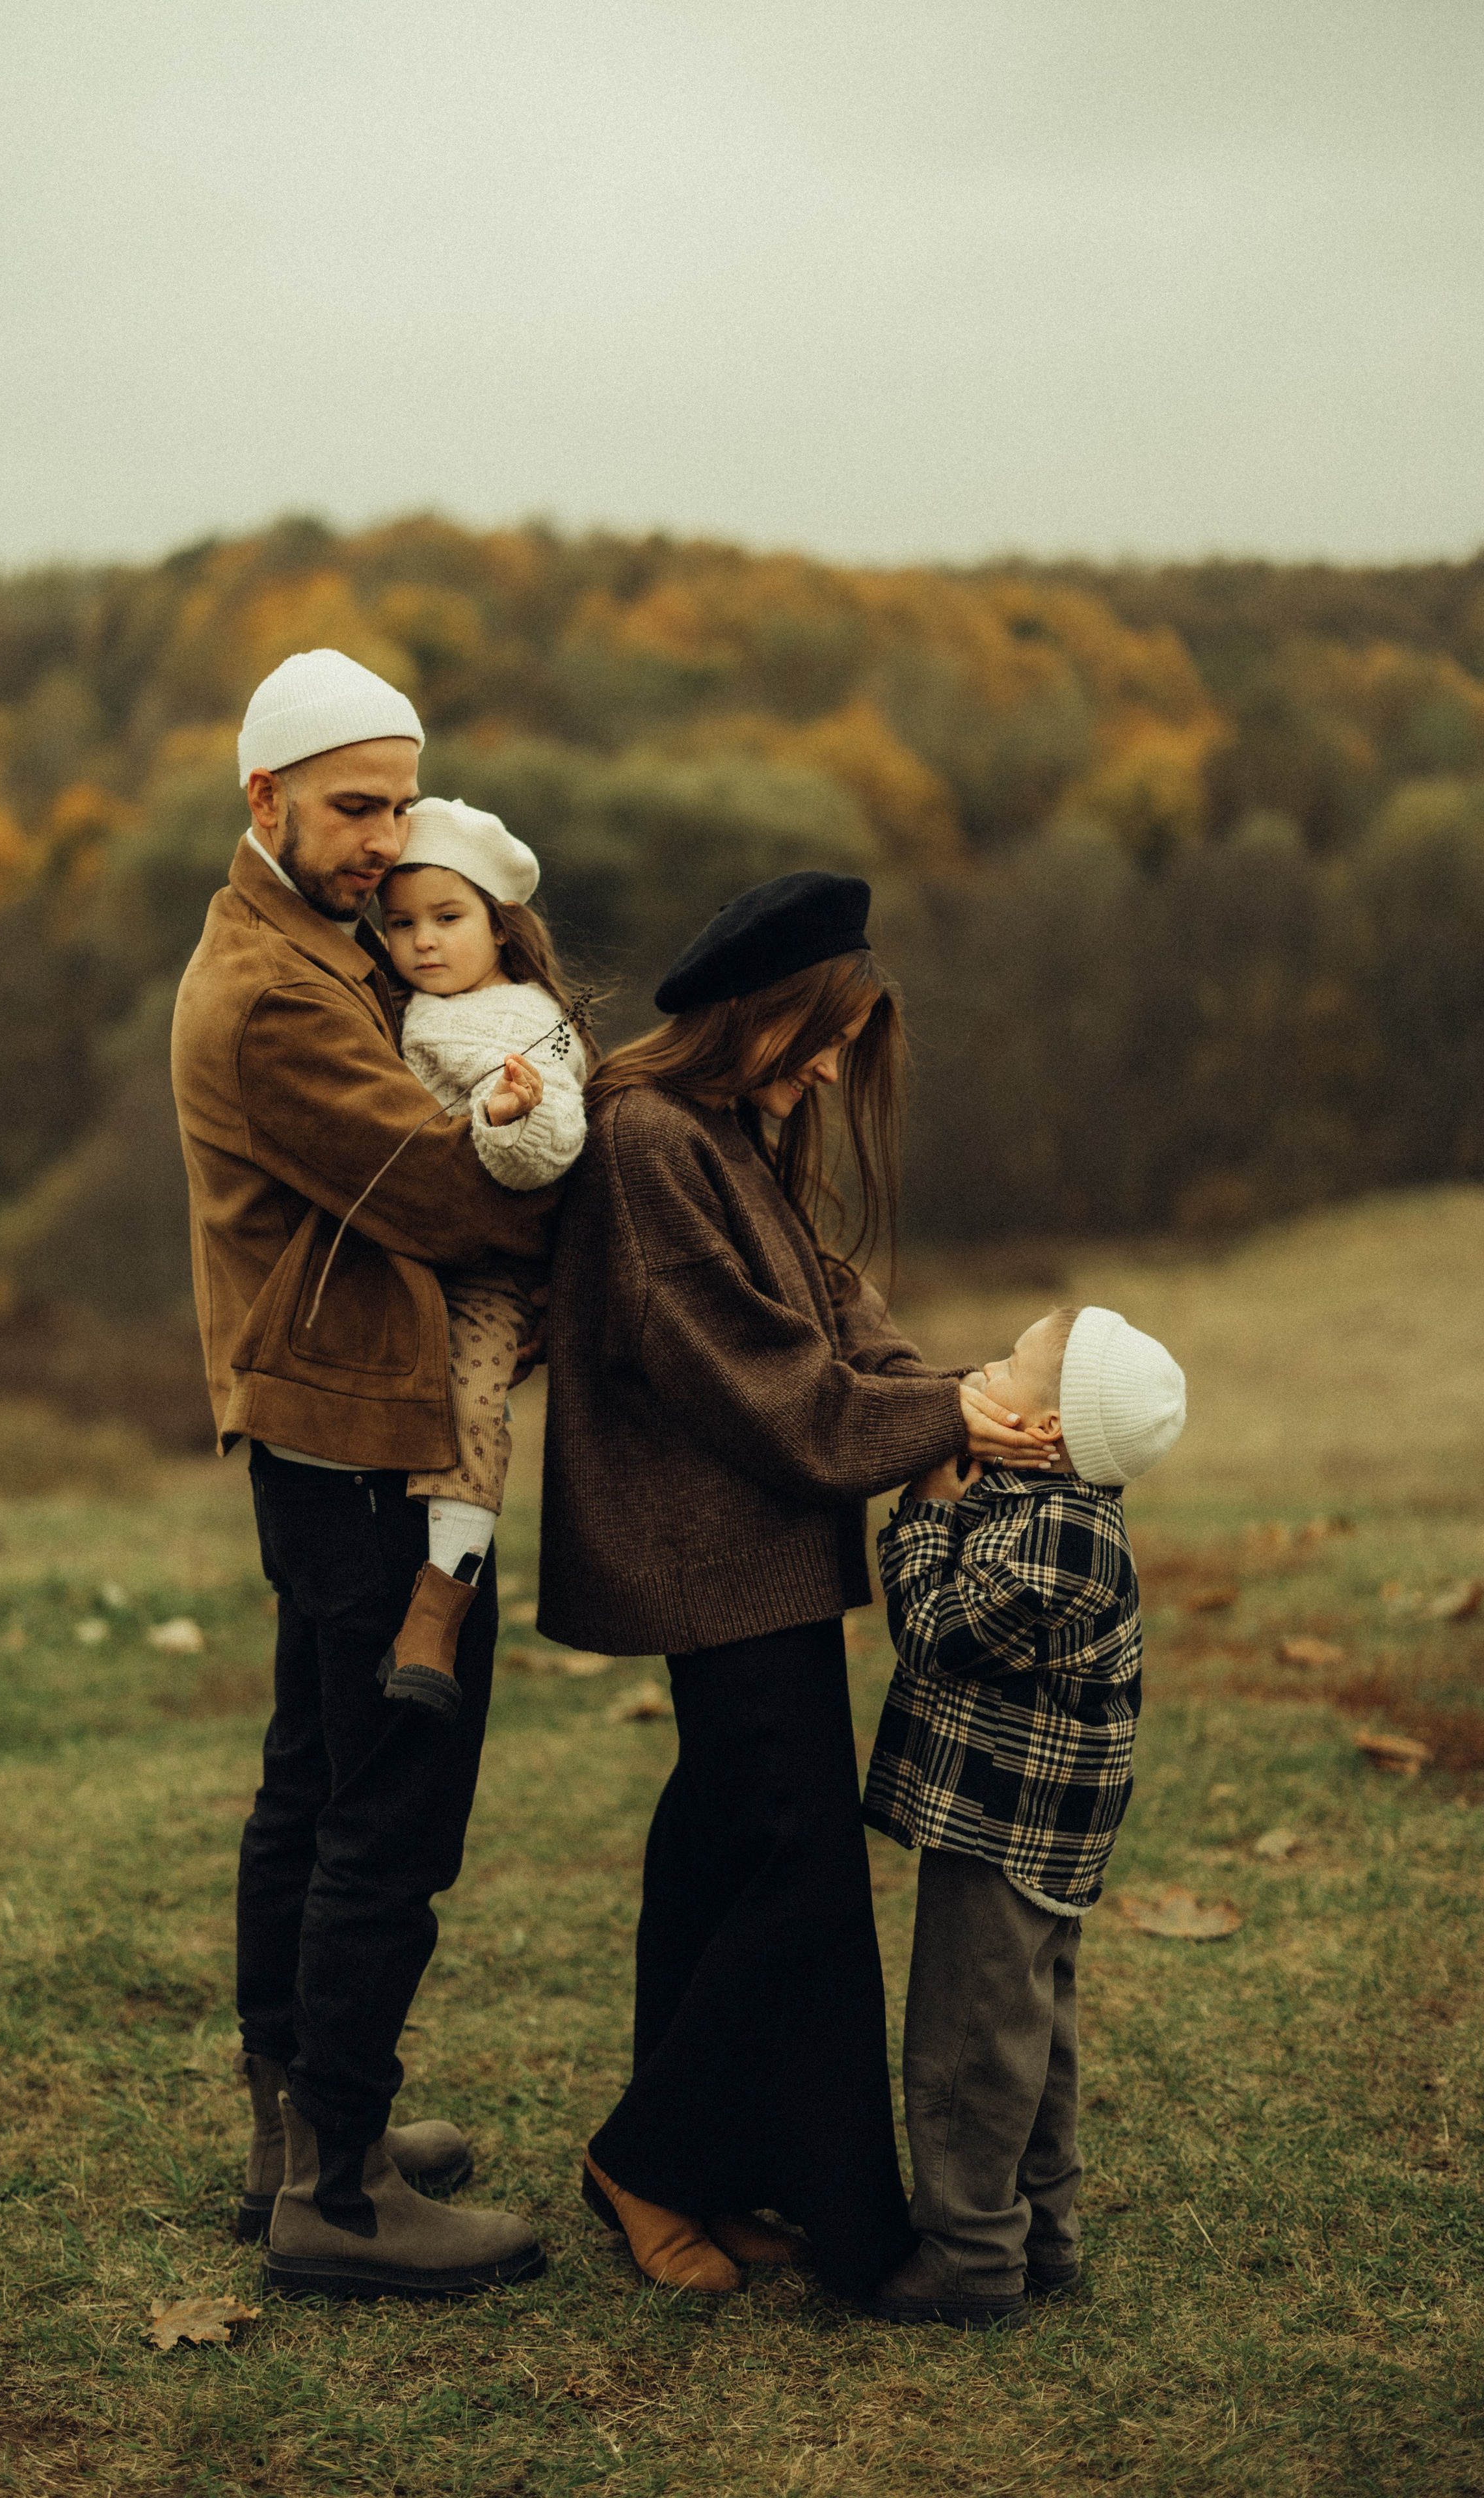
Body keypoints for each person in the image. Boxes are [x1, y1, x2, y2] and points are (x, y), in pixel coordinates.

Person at [538, 870, 1064, 2302]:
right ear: (755, 1015)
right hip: (704, 1556)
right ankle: (650, 2161)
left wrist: (947, 1395)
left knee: (724, 1860)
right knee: (800, 1888)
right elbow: (748, 1378)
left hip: (751, 1554)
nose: (832, 1066)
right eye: (817, 1035)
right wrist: (937, 1416)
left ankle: (744, 2181)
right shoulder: (645, 1138)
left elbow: (828, 1308)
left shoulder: (724, 1131)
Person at [171, 647, 561, 2300]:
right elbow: (452, 1199)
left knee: (312, 1783)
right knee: (384, 1810)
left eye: (398, 801)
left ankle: (299, 2138)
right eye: (351, 804)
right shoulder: (273, 993)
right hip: (365, 1445)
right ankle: (338, 2189)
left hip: (336, 1427)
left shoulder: (315, 947)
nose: (381, 835)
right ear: (263, 797)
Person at [862, 1304, 1186, 2329]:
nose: (982, 1367)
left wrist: (919, 1505)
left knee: (971, 2040)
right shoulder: (1050, 1497)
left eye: (1004, 1363)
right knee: (1029, 2032)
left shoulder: (1062, 1539)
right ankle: (1043, 2236)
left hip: (1008, 1824)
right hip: (1032, 1824)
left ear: (1045, 1432)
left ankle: (970, 2253)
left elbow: (932, 1634)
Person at [378, 795, 590, 1718]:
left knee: (471, 1407)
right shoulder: (417, 1010)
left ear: (501, 930)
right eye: (401, 924)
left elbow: (556, 1132)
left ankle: (438, 1606)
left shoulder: (518, 1024)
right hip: (418, 1253)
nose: (423, 941)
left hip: (496, 1270)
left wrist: (505, 1124)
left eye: (447, 918)